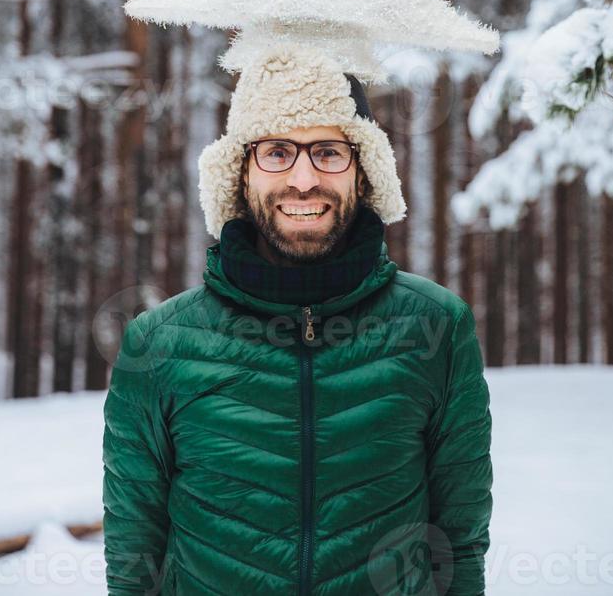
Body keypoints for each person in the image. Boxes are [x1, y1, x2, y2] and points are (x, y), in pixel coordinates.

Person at [102, 43, 493, 596]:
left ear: (364, 171)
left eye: (329, 152)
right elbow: (133, 549)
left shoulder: (436, 328)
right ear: (240, 172)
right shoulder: (159, 344)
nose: (304, 180)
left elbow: (461, 538)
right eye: (277, 151)